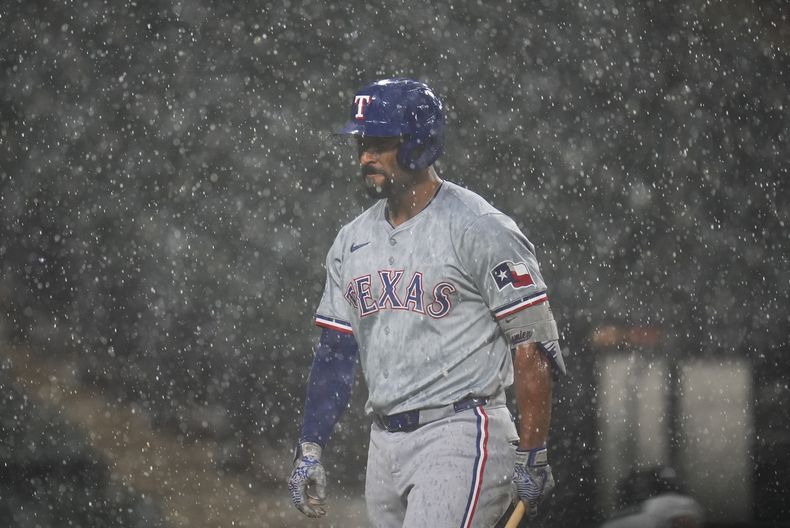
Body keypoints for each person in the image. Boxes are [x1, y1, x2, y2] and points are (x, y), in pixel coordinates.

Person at [287, 78, 566, 527]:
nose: (364, 157)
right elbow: (336, 351)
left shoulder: (480, 228)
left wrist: (534, 450)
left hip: (459, 430)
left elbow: (531, 342)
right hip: (384, 442)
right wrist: (310, 445)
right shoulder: (351, 240)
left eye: (379, 142)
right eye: (362, 142)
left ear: (418, 143)